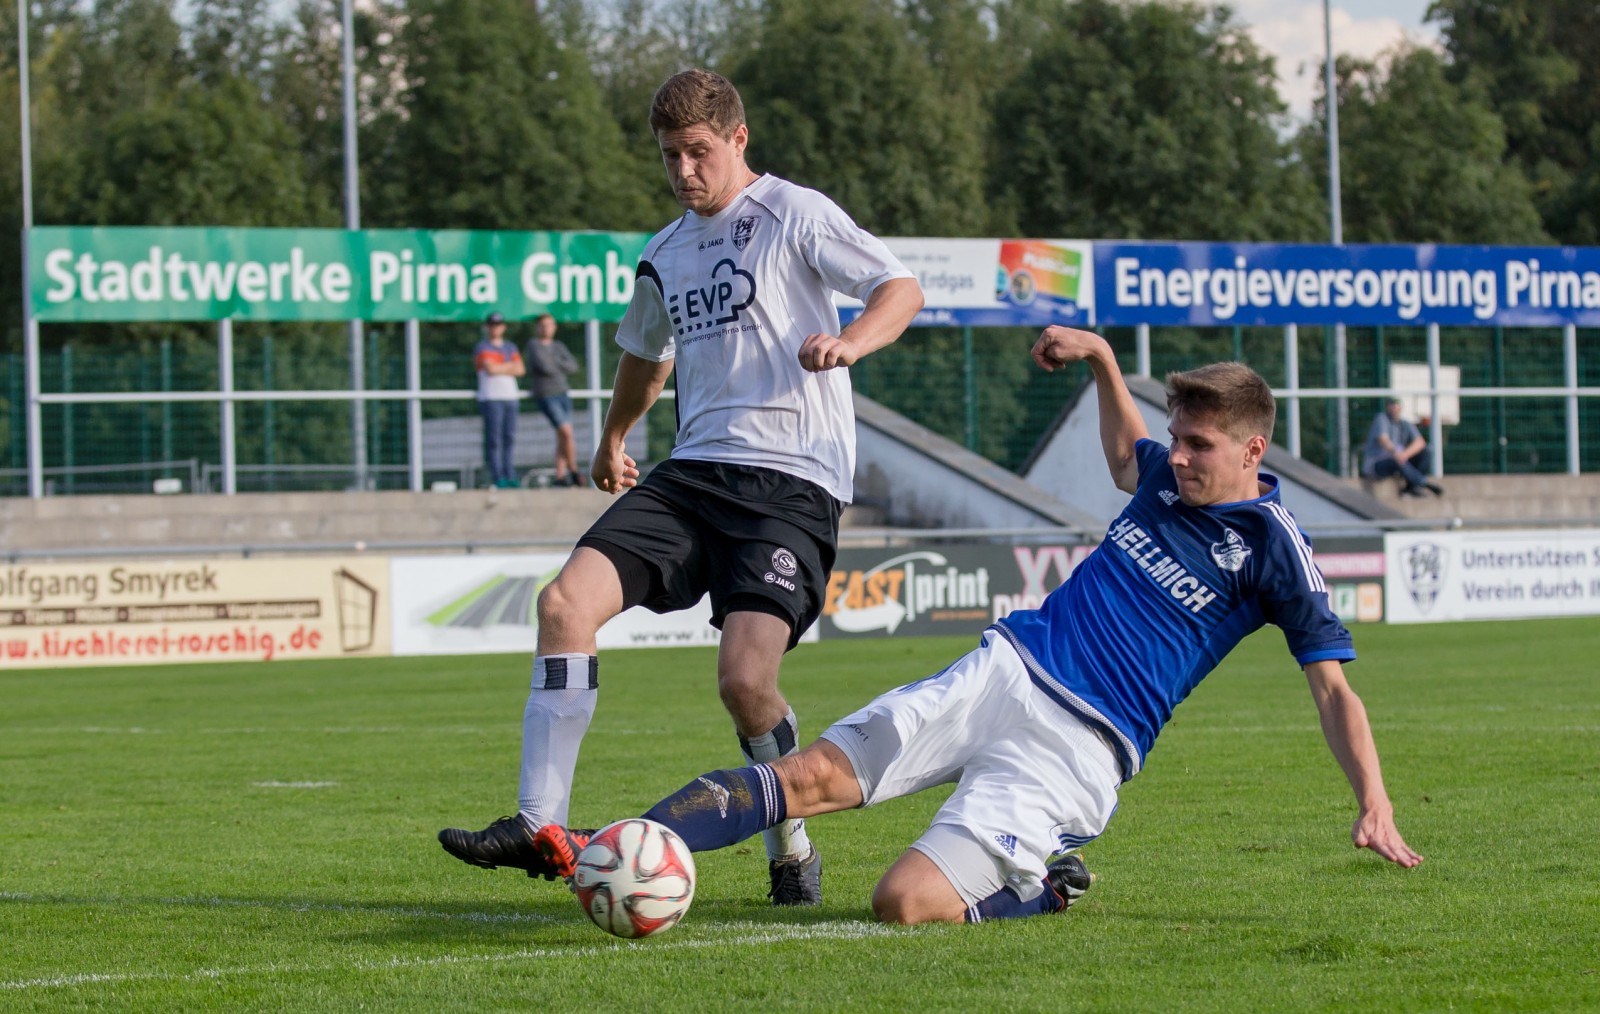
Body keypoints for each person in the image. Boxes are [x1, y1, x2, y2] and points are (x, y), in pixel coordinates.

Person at [531, 328, 1423, 926]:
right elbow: (1124, 455)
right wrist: (1105, 359)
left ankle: (1043, 889)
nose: (1176, 456)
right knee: (811, 778)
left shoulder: (1274, 548)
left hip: (1081, 748)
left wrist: (1373, 802)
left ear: (1252, 452)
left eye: (1198, 446)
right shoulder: (1161, 476)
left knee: (902, 904)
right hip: (1004, 669)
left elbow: (1334, 688)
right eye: (1177, 438)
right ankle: (620, 851)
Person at [437, 68, 924, 905]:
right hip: (692, 473)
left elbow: (900, 287)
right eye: (669, 156)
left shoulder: (793, 213)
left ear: (737, 139)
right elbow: (645, 354)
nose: (684, 171)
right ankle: (542, 825)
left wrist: (852, 343)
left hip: (792, 483)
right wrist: (615, 436)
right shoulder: (664, 252)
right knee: (563, 606)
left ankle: (790, 844)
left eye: (698, 151)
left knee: (744, 683)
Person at [523, 313, 583, 487]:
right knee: (566, 433)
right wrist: (558, 364)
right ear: (537, 328)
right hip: (547, 394)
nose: (546, 328)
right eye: (542, 325)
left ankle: (560, 475)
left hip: (563, 393)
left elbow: (573, 366)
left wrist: (554, 362)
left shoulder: (558, 346)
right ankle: (574, 470)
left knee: (562, 436)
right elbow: (545, 367)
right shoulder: (533, 345)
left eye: (549, 325)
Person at [475, 311, 525, 489]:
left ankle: (509, 474)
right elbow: (490, 369)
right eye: (492, 325)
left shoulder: (510, 347)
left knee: (509, 438)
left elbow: (520, 369)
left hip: (510, 397)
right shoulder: (482, 347)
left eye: (498, 324)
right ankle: (498, 476)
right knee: (494, 440)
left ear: (503, 327)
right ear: (487, 327)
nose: (495, 328)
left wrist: (500, 366)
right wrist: (509, 366)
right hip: (491, 398)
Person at [1361, 398, 1443, 497]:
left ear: (1401, 407)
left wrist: (1404, 454)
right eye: (1391, 404)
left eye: (1396, 404)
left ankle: (1412, 487)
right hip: (1377, 464)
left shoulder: (1405, 423)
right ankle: (1423, 483)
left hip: (1399, 460)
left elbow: (1420, 442)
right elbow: (1383, 439)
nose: (1394, 407)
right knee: (1397, 462)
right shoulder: (1381, 418)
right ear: (1387, 407)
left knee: (1425, 452)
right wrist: (1396, 453)